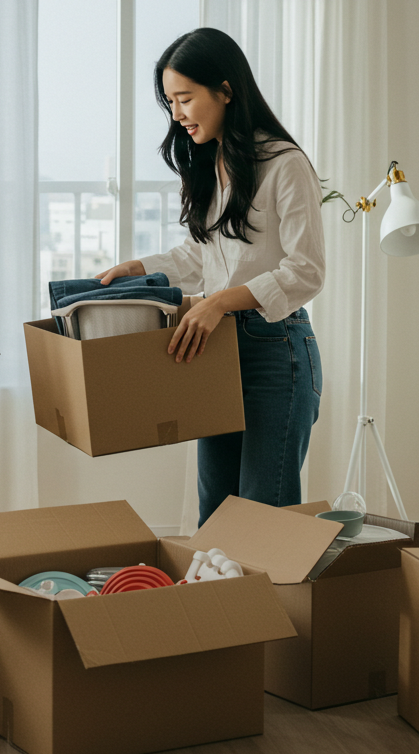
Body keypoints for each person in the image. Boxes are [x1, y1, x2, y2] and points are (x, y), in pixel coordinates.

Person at [96, 28, 325, 526]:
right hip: (218, 350)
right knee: (216, 513)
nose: (177, 114)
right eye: (170, 102)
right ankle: (214, 605)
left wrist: (220, 302)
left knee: (264, 516)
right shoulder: (212, 161)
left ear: (225, 90)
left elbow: (306, 272)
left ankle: (267, 607)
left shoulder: (285, 164)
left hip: (275, 352)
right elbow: (203, 256)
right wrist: (140, 268)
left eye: (185, 98)